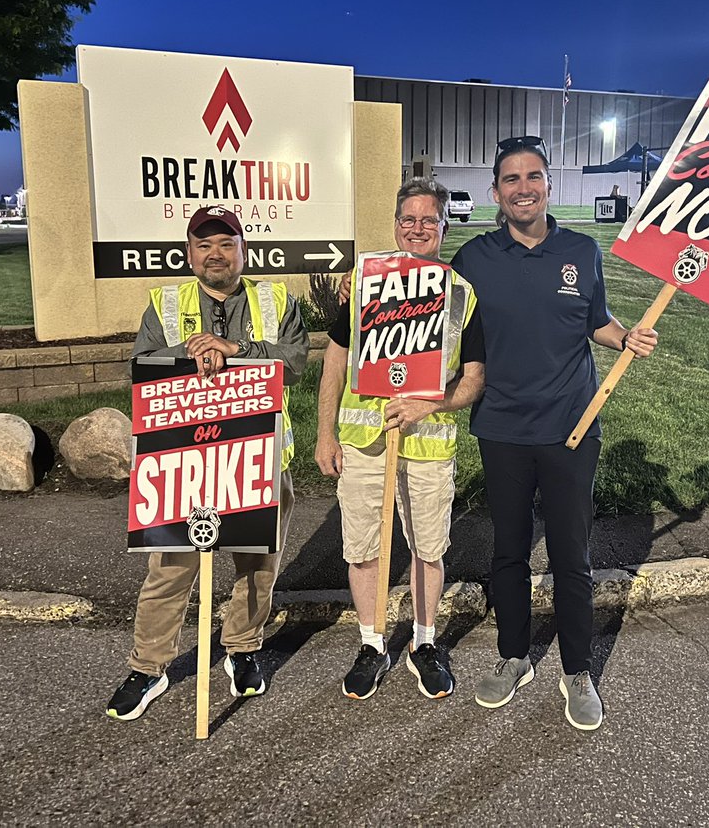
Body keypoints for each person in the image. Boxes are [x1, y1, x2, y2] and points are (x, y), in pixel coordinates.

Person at [450, 136, 658, 730]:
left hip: (573, 425)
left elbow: (597, 321)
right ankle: (514, 656)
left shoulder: (583, 251)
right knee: (509, 550)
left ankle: (576, 670)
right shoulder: (474, 259)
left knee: (571, 554)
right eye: (511, 179)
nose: (523, 187)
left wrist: (626, 337)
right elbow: (428, 313)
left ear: (548, 185)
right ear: (496, 192)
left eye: (533, 176)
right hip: (503, 427)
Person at [106, 205, 310, 721]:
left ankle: (242, 648)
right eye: (204, 244)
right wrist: (190, 351)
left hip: (257, 457)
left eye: (226, 243)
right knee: (170, 566)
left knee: (257, 564)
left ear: (244, 250)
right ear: (190, 252)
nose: (215, 254)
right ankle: (148, 667)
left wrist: (236, 349)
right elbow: (142, 368)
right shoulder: (165, 302)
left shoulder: (275, 299)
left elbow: (296, 363)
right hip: (183, 461)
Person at [316, 177, 484, 700]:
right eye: (408, 219)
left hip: (429, 447)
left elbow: (474, 378)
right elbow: (336, 360)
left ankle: (425, 643)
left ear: (443, 227)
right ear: (395, 225)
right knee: (363, 548)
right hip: (365, 445)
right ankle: (371, 643)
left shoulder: (461, 294)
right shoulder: (364, 283)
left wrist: (427, 403)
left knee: (428, 551)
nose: (417, 228)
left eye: (428, 220)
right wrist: (325, 434)